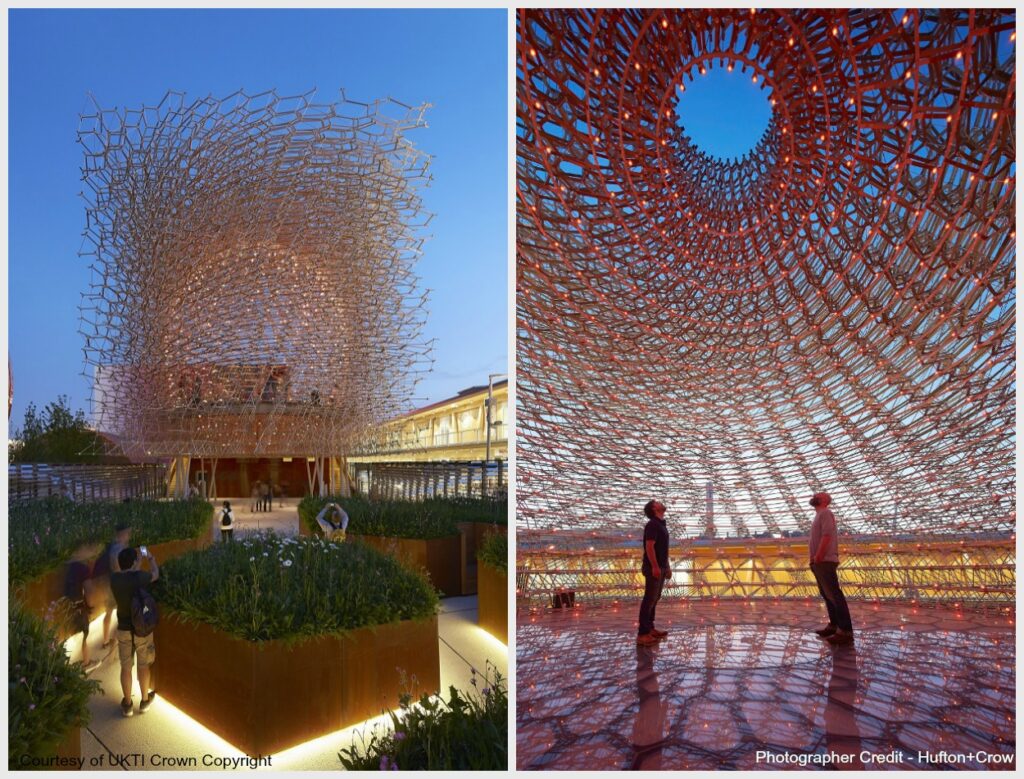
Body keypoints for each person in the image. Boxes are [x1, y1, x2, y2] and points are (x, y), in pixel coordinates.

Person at [110, 546, 159, 717]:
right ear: (134, 562)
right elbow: (155, 574)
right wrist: (149, 558)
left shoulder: (114, 580)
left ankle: (127, 704)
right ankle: (145, 701)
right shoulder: (140, 577)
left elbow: (129, 574)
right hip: (141, 630)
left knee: (126, 667)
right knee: (143, 665)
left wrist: (135, 562)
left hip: (123, 629)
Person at [808, 492, 854, 645]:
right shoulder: (819, 515)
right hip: (819, 561)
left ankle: (845, 631)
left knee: (834, 595)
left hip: (825, 560)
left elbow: (827, 536)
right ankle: (834, 626)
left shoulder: (826, 513)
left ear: (825, 500)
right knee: (828, 595)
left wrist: (819, 556)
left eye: (818, 495)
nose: (814, 496)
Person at [63, 542, 102, 674]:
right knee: (85, 633)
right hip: (80, 605)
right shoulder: (83, 569)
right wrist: (90, 606)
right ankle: (86, 663)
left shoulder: (69, 566)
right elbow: (89, 591)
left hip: (67, 605)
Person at [637, 500, 671, 646]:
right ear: (654, 508)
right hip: (653, 568)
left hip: (661, 567)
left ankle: (650, 628)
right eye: (657, 502)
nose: (661, 503)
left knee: (655, 598)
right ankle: (642, 634)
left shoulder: (661, 524)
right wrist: (655, 566)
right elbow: (649, 547)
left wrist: (667, 566)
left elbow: (663, 549)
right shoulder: (652, 524)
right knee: (649, 599)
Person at [93, 522, 132, 649]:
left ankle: (106, 641)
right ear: (121, 534)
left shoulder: (113, 546)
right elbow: (119, 569)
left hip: (111, 584)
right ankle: (115, 639)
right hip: (118, 586)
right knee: (122, 612)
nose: (129, 535)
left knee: (109, 612)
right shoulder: (118, 549)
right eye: (127, 533)